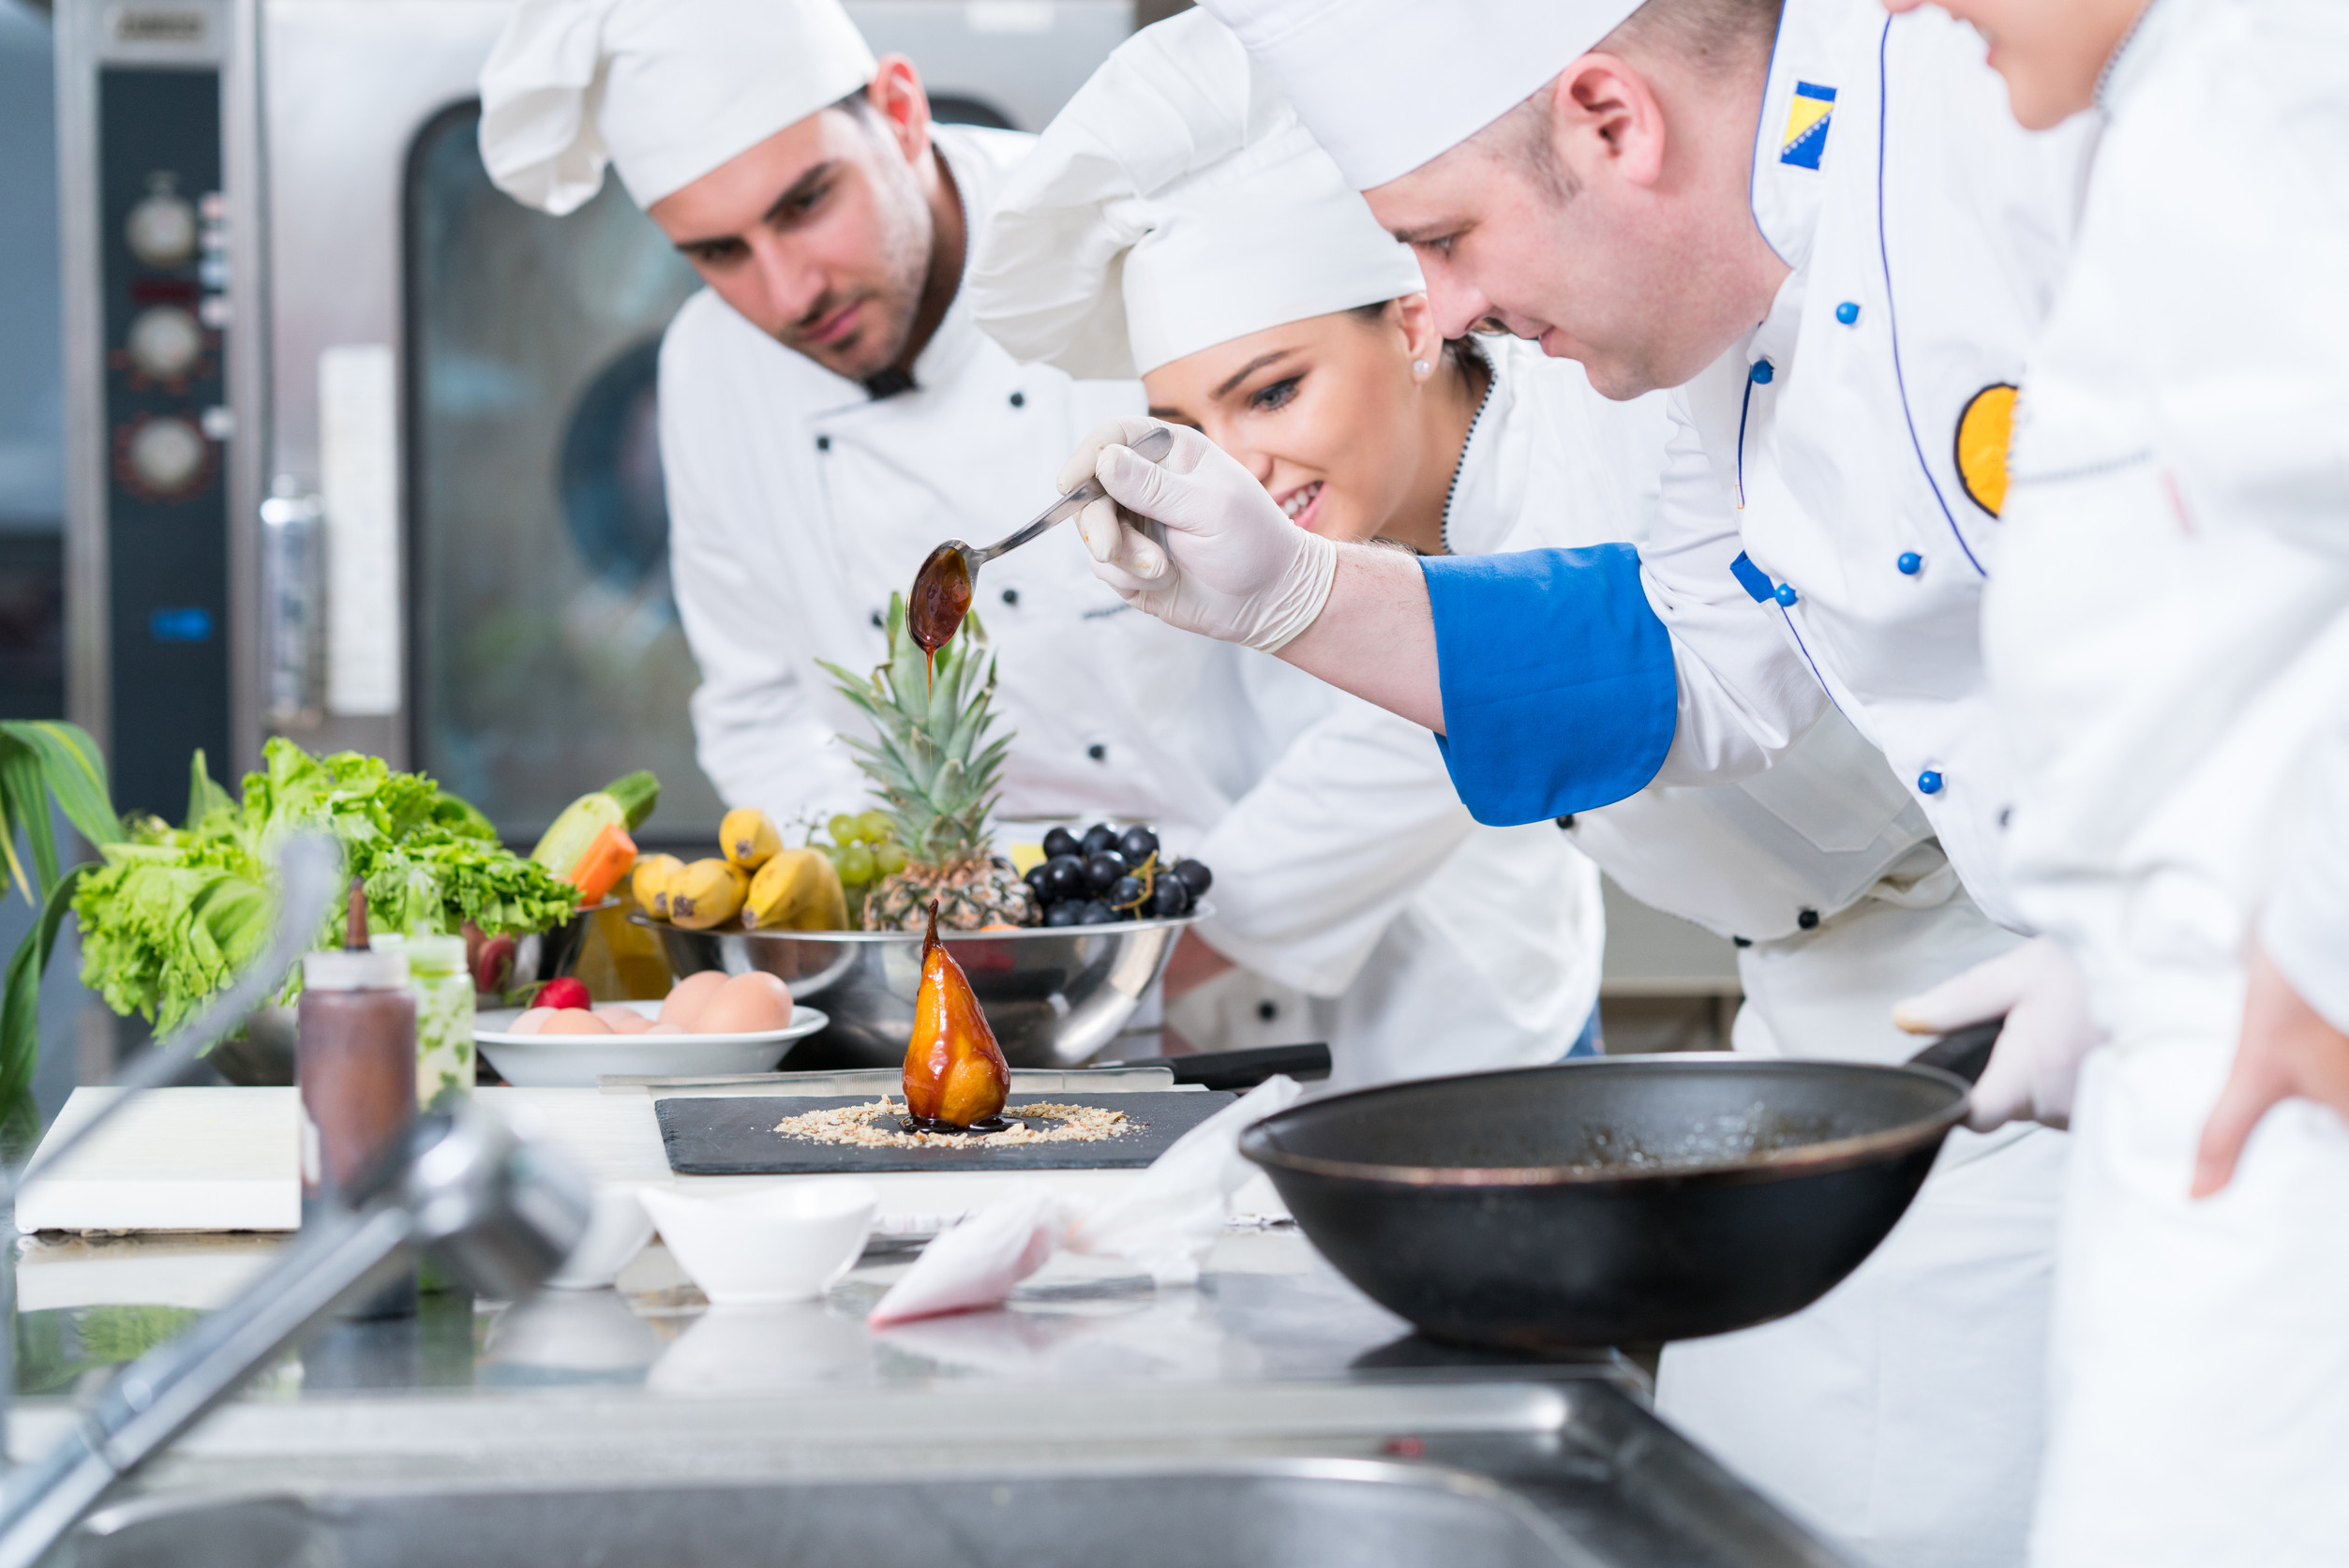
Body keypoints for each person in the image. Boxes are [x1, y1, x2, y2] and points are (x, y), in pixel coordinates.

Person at [984, 13, 2057, 1564]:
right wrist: (1295, 594)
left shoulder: (1817, 265)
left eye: (1439, 246)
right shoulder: (1701, 331)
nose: (1452, 307)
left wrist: (1301, 594)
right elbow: (1711, 661)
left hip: (1993, 986)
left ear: (1611, 121)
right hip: (1818, 1035)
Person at [472, 0, 1595, 1083]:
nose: (786, 287)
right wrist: (919, 942)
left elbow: (1429, 642)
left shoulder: (1130, 241)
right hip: (1035, 996)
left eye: (809, 201)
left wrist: (1148, 956)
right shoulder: (710, 373)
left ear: (899, 109)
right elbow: (761, 703)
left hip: (1405, 965)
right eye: (717, 253)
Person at [1884, 0, 2349, 1562]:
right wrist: (2110, 936)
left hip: (2286, 1105)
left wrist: (2323, 951)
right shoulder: (2191, 112)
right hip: (2220, 1071)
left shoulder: (2263, 101)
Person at [963, 11, 1613, 1084]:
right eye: (1191, 426)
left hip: (1487, 1019)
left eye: (1272, 391)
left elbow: (1405, 743)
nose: (1235, 468)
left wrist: (1109, 986)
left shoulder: (1574, 467)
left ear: (1414, 324)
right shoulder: (1334, 512)